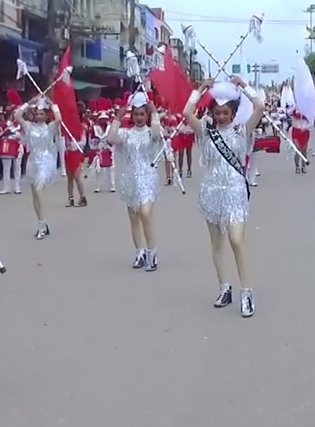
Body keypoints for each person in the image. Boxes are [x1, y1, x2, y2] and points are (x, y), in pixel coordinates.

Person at [183, 78, 265, 317]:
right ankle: (224, 287)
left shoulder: (242, 130)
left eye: (225, 112)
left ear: (234, 112)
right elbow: (187, 112)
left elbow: (260, 107)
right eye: (217, 112)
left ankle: (247, 292)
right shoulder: (205, 132)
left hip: (235, 192)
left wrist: (244, 87)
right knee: (217, 243)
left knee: (236, 240)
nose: (221, 117)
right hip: (211, 192)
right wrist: (199, 92)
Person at [107, 92, 163, 270]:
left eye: (142, 114)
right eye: (136, 114)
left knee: (145, 212)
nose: (139, 117)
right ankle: (140, 251)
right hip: (130, 178)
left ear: (147, 115)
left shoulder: (151, 134)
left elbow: (157, 134)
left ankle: (152, 253)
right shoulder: (126, 134)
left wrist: (155, 114)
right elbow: (111, 139)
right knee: (134, 217)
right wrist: (117, 118)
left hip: (148, 177)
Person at [14, 96, 62, 239]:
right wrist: (29, 102)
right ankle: (42, 222)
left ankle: (42, 225)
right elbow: (17, 115)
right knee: (35, 195)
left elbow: (59, 118)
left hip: (46, 161)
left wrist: (52, 104)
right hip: (33, 161)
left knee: (40, 190)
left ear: (46, 115)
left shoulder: (50, 127)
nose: (39, 116)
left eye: (42, 113)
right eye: (37, 113)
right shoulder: (28, 126)